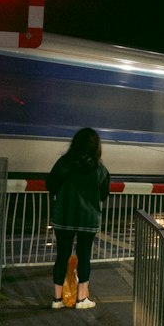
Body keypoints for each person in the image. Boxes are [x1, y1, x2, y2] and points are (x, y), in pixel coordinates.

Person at [46, 127, 110, 310]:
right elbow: (104, 194)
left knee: (62, 256)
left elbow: (50, 184)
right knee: (84, 256)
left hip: (64, 216)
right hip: (88, 219)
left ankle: (57, 299)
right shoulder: (100, 169)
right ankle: (82, 299)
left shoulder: (64, 163)